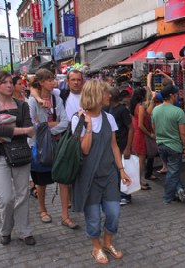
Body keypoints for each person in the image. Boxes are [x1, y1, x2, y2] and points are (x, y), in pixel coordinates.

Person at [71, 79, 131, 264]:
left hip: (110, 174)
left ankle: (107, 243)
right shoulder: (78, 119)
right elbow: (85, 150)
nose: (109, 96)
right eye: (105, 93)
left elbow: (113, 145)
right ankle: (96, 247)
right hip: (89, 178)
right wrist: (88, 127)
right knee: (94, 218)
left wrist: (121, 169)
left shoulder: (109, 117)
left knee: (113, 212)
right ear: (96, 95)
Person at [0, 71, 36, 245]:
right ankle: (5, 230)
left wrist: (6, 129)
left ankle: (24, 230)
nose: (9, 85)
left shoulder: (22, 105)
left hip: (20, 154)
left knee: (23, 194)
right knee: (5, 198)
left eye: (11, 82)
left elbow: (30, 127)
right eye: (4, 82)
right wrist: (20, 130)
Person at [28, 69, 73, 227]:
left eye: (53, 79)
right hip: (39, 145)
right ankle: (42, 210)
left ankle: (65, 215)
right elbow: (32, 126)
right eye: (49, 80)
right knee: (41, 180)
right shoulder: (33, 101)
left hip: (57, 143)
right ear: (41, 82)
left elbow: (65, 121)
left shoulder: (56, 97)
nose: (53, 82)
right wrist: (48, 127)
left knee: (62, 179)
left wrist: (47, 129)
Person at [151, 84, 185, 204]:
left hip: (161, 145)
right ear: (172, 96)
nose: (177, 96)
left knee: (173, 171)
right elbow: (183, 133)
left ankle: (179, 190)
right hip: (174, 146)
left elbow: (154, 128)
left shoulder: (155, 110)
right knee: (173, 172)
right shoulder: (178, 112)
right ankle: (168, 197)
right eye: (176, 94)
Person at [107, 87, 134, 205]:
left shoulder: (122, 110)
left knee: (122, 171)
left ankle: (125, 196)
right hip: (114, 145)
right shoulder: (109, 109)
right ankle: (119, 194)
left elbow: (131, 128)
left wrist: (128, 147)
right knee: (116, 172)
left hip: (122, 145)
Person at [129, 87, 153, 190]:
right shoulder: (140, 107)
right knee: (141, 161)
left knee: (140, 160)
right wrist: (149, 134)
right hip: (140, 135)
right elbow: (140, 125)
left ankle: (139, 181)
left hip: (136, 134)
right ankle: (138, 182)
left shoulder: (135, 106)